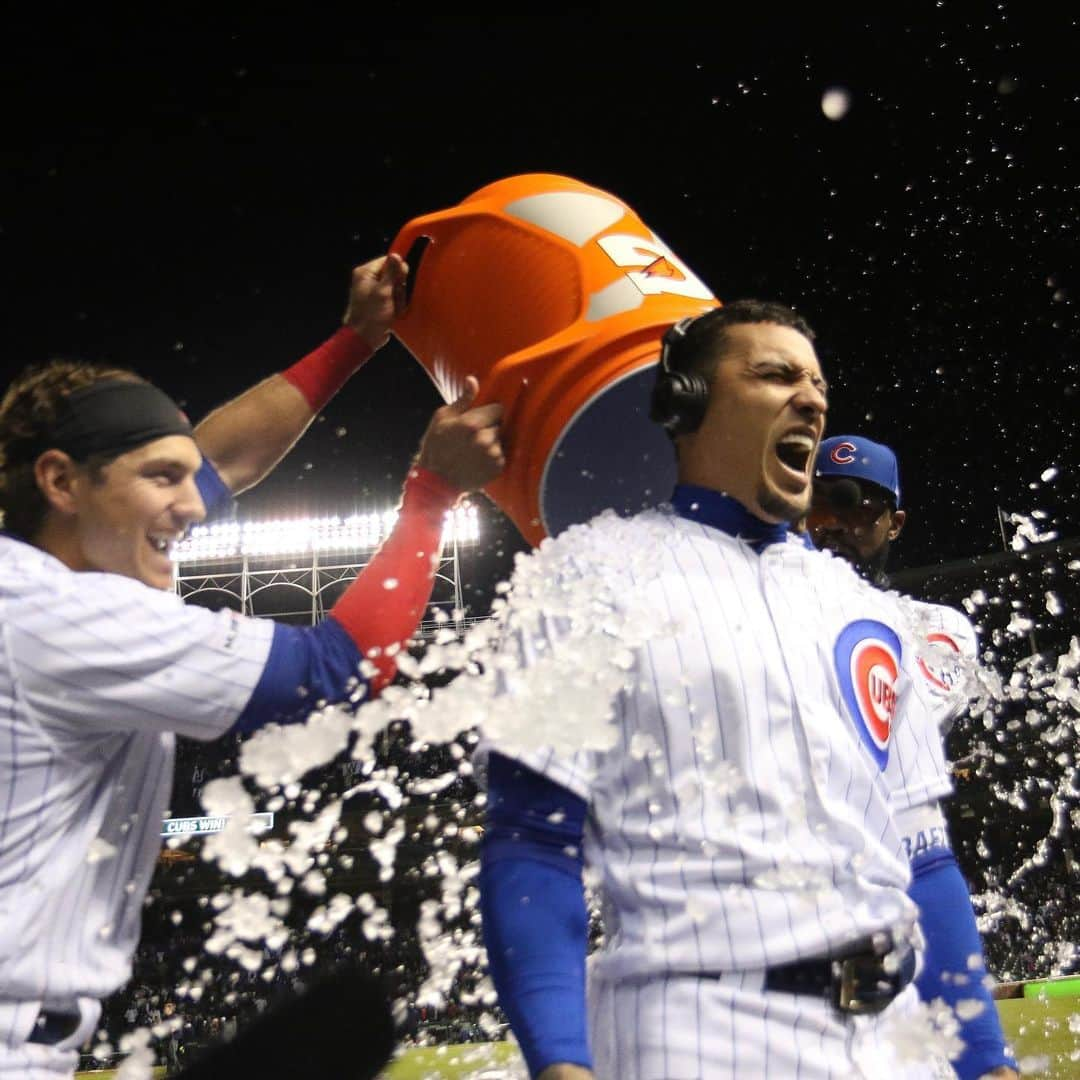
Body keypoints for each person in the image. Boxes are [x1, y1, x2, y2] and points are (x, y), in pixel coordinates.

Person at [0, 253, 505, 1079]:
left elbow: (222, 465)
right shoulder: (55, 615)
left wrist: (356, 341)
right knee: (345, 1029)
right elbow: (329, 676)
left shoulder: (41, 580)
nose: (194, 503)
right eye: (161, 477)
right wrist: (430, 498)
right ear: (61, 481)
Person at [475, 302, 952, 1079]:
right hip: (696, 1033)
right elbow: (531, 838)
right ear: (689, 401)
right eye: (775, 374)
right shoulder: (585, 573)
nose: (813, 398)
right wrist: (559, 1060)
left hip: (893, 1036)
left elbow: (925, 860)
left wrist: (986, 1058)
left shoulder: (864, 611)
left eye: (818, 382)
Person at [808, 435, 1018, 1080]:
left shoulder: (934, 625)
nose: (834, 523)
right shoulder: (756, 615)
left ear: (894, 522)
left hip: (884, 894)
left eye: (856, 505)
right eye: (819, 504)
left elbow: (895, 719)